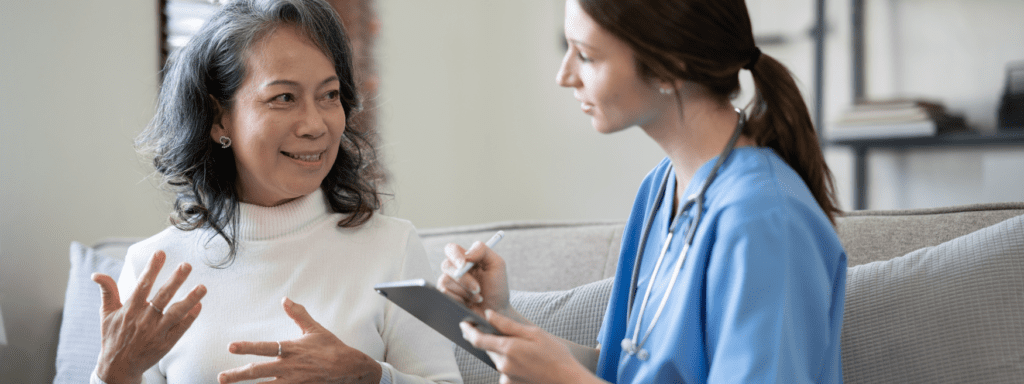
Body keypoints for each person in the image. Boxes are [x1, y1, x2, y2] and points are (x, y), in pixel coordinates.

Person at [439, 0, 847, 382]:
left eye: (586, 55)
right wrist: (501, 316)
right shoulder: (660, 188)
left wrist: (564, 378)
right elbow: (626, 369)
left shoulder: (764, 219)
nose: (564, 76)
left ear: (669, 66)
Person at [88, 0, 462, 383]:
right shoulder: (152, 266)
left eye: (329, 95)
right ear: (219, 118)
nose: (315, 125)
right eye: (284, 98)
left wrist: (370, 376)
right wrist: (112, 372)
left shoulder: (395, 249)